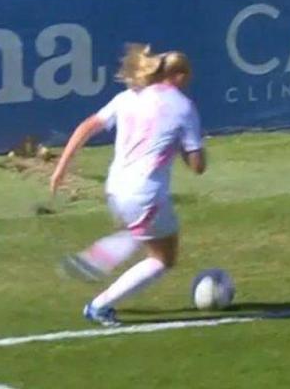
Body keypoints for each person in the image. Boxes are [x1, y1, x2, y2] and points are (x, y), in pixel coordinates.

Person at [51, 44, 206, 327]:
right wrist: (188, 148)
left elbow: (86, 126)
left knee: (143, 231)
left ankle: (120, 242)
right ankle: (99, 305)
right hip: (145, 194)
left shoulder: (127, 97)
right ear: (180, 76)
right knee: (163, 257)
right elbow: (198, 167)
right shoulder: (183, 107)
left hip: (114, 188)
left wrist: (61, 168)